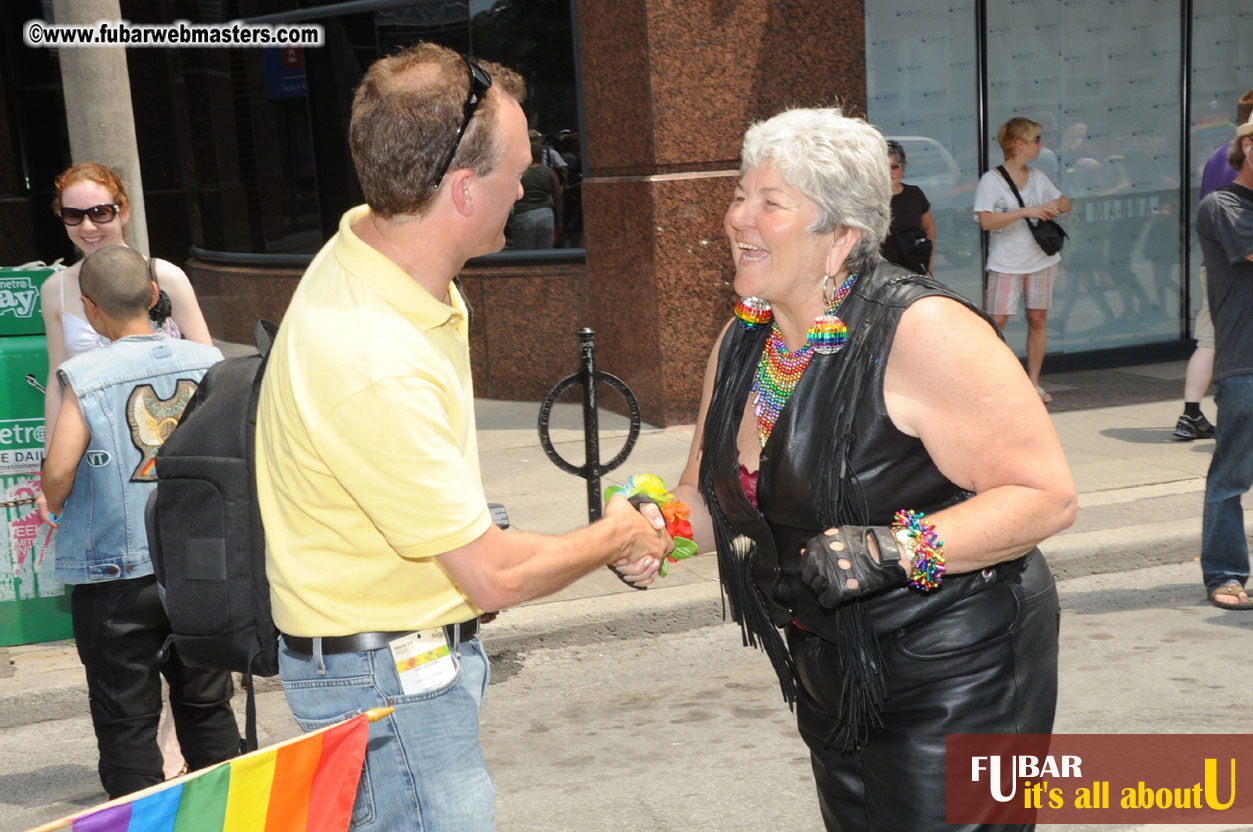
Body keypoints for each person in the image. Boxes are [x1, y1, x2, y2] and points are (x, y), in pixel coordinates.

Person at [254, 42, 670, 831]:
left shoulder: (385, 258)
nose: (529, 183)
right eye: (521, 167)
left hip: (394, 660)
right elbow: (493, 577)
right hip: (387, 683)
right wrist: (618, 532)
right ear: (464, 189)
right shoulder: (372, 352)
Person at [654, 107, 1075, 830]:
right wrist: (641, 531)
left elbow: (1044, 497)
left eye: (769, 203)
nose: (737, 219)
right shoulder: (740, 341)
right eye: (737, 195)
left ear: (840, 237)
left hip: (958, 666)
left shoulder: (923, 330)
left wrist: (895, 547)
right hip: (832, 670)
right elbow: (704, 500)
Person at [36, 245, 239, 799]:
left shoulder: (85, 375)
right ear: (155, 298)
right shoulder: (209, 363)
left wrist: (51, 501)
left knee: (126, 720)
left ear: (89, 308)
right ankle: (227, 811)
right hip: (200, 570)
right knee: (207, 705)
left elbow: (59, 468)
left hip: (115, 575)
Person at [42, 163, 213, 445]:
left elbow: (207, 365)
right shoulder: (54, 290)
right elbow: (56, 380)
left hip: (167, 435)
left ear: (124, 212)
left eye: (100, 213)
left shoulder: (166, 276)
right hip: (92, 440)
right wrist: (50, 460)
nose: (88, 226)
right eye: (73, 215)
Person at [974, 117, 1071, 403]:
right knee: (995, 323)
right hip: (1006, 263)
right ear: (1020, 144)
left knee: (1037, 318)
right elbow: (986, 221)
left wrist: (1050, 207)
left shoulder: (1038, 176)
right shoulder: (991, 181)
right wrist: (1028, 211)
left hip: (1041, 259)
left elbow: (1066, 203)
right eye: (1036, 139)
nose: (1041, 145)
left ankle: (1033, 382)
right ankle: (984, 381)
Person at [1198, 115, 1253, 611]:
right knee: (1232, 476)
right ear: (1248, 146)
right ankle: (1225, 573)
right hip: (1246, 363)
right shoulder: (1223, 205)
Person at [1175, 90, 1253, 440]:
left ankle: (1191, 413)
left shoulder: (1216, 156)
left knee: (1209, 339)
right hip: (1234, 266)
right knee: (1212, 341)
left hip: (1215, 264)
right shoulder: (1235, 158)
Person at [879, 140, 935, 275]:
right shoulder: (871, 199)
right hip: (882, 274)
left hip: (914, 271)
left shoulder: (914, 194)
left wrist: (928, 267)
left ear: (903, 168)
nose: (890, 173)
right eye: (884, 167)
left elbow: (929, 230)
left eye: (895, 167)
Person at [511, 135, 562, 249]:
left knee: (525, 255)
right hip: (546, 215)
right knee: (545, 254)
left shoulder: (518, 173)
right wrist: (560, 220)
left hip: (523, 214)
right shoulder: (550, 172)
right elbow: (557, 197)